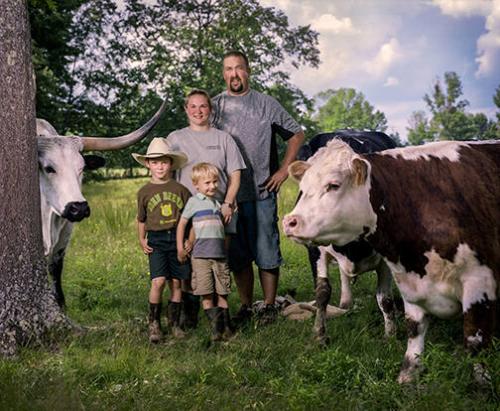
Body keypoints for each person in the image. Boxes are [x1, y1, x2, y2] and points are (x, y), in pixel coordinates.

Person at [211, 50, 305, 325]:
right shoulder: (215, 108)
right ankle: (246, 306)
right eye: (228, 69)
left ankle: (268, 306)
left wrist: (284, 170)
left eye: (239, 68)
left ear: (248, 70)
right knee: (238, 255)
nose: (234, 74)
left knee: (266, 250)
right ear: (223, 73)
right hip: (230, 196)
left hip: (263, 190)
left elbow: (297, 134)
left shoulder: (266, 104)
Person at [166, 89, 246, 328]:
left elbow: (235, 174)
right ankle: (189, 317)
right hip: (188, 211)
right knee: (189, 263)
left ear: (210, 110)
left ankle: (221, 320)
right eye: (193, 106)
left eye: (203, 106)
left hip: (220, 213)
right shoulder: (175, 138)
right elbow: (166, 172)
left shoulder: (224, 138)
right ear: (186, 110)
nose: (198, 111)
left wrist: (228, 203)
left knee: (219, 263)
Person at [133, 138, 191, 342]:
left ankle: (174, 323)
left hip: (177, 238)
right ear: (148, 164)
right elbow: (141, 219)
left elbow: (189, 218)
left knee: (176, 283)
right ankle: (154, 323)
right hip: (156, 239)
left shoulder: (181, 190)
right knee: (158, 282)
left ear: (171, 164)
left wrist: (188, 241)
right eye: (155, 162)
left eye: (164, 162)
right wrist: (141, 239)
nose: (160, 166)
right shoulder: (144, 192)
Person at [176, 163, 234, 341]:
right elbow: (183, 225)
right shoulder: (194, 202)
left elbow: (218, 229)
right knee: (206, 294)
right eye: (207, 183)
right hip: (201, 257)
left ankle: (226, 329)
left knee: (223, 293)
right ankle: (215, 332)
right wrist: (181, 246)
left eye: (215, 182)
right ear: (197, 185)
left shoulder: (217, 204)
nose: (212, 186)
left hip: (220, 256)